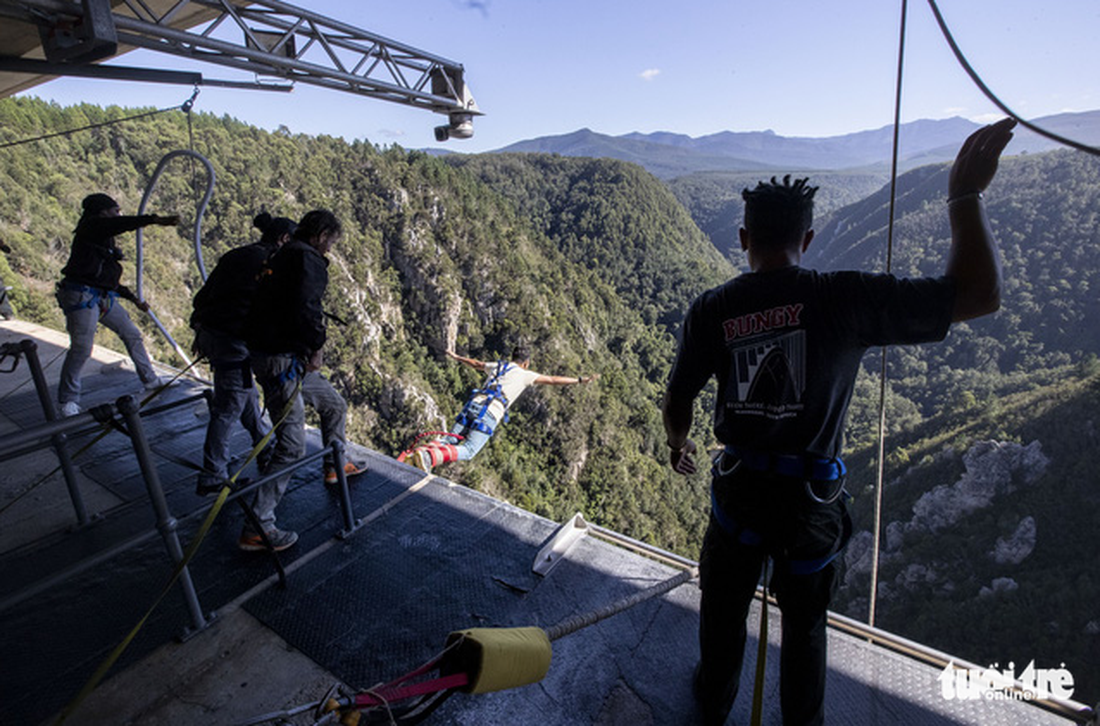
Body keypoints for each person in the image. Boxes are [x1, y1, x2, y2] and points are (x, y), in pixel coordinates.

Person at [661, 119, 1016, 726]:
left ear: (744, 237)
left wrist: (679, 442)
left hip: (740, 496)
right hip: (810, 503)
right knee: (804, 632)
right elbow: (979, 295)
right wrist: (963, 197)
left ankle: (711, 706)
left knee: (722, 618)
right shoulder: (841, 298)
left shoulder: (713, 309)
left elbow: (679, 396)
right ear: (810, 235)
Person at [242, 209, 342, 552]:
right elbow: (307, 308)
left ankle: (335, 463)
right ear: (321, 234)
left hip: (283, 359)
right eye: (330, 241)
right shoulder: (306, 260)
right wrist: (316, 347)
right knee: (291, 446)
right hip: (282, 361)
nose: (330, 248)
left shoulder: (281, 254)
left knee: (334, 405)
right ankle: (258, 525)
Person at [191, 212, 296, 495]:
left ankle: (265, 446)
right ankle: (213, 474)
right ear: (284, 239)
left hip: (213, 334)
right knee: (228, 407)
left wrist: (199, 330)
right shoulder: (269, 265)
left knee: (244, 395)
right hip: (232, 341)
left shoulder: (235, 255)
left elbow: (202, 297)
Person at [55, 193, 179, 417]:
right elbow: (118, 224)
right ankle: (68, 400)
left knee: (131, 333)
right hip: (81, 295)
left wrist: (133, 299)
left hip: (100, 295)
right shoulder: (91, 228)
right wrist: (153, 220)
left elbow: (108, 279)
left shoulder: (102, 240)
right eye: (114, 210)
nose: (117, 214)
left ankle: (150, 380)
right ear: (103, 212)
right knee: (82, 347)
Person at [400, 346, 598, 472]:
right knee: (469, 450)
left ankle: (418, 454)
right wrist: (581, 380)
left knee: (450, 439)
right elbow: (554, 380)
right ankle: (428, 457)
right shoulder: (524, 374)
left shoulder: (498, 366)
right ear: (526, 363)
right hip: (490, 412)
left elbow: (476, 364)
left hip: (473, 404)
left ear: (513, 357)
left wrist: (456, 356)